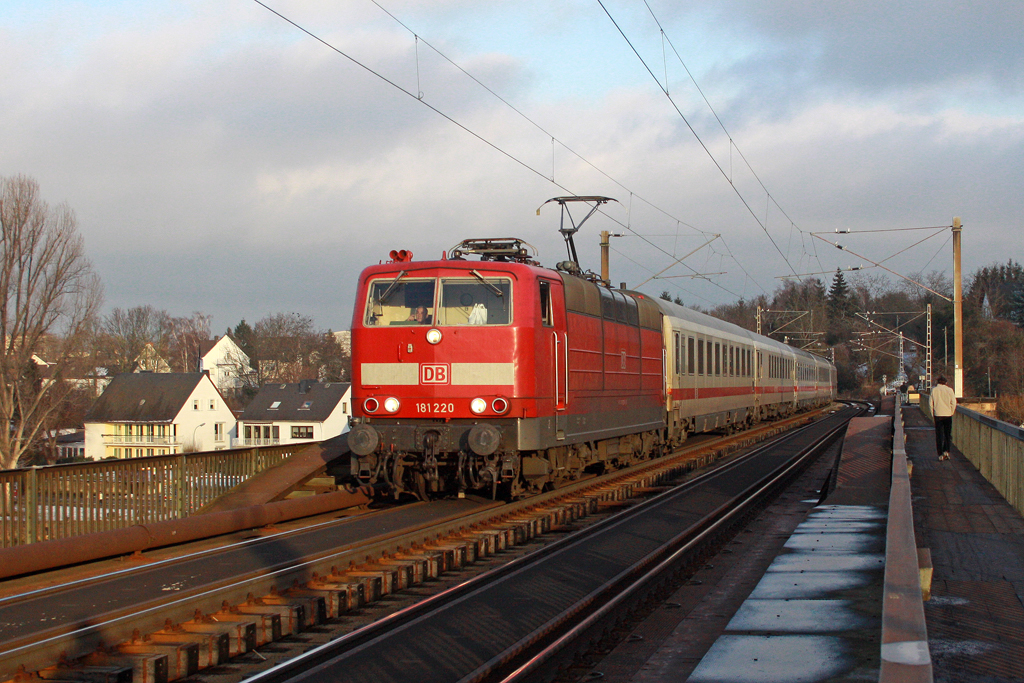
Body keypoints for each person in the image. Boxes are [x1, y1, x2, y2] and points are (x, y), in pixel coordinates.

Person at [930, 376, 957, 461]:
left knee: (939, 435)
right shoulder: (950, 390)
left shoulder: (934, 390)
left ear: (937, 382)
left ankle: (940, 454)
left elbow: (931, 404)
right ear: (946, 382)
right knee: (947, 434)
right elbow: (954, 402)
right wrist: (951, 412)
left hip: (938, 415)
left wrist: (933, 414)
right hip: (948, 414)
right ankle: (946, 451)